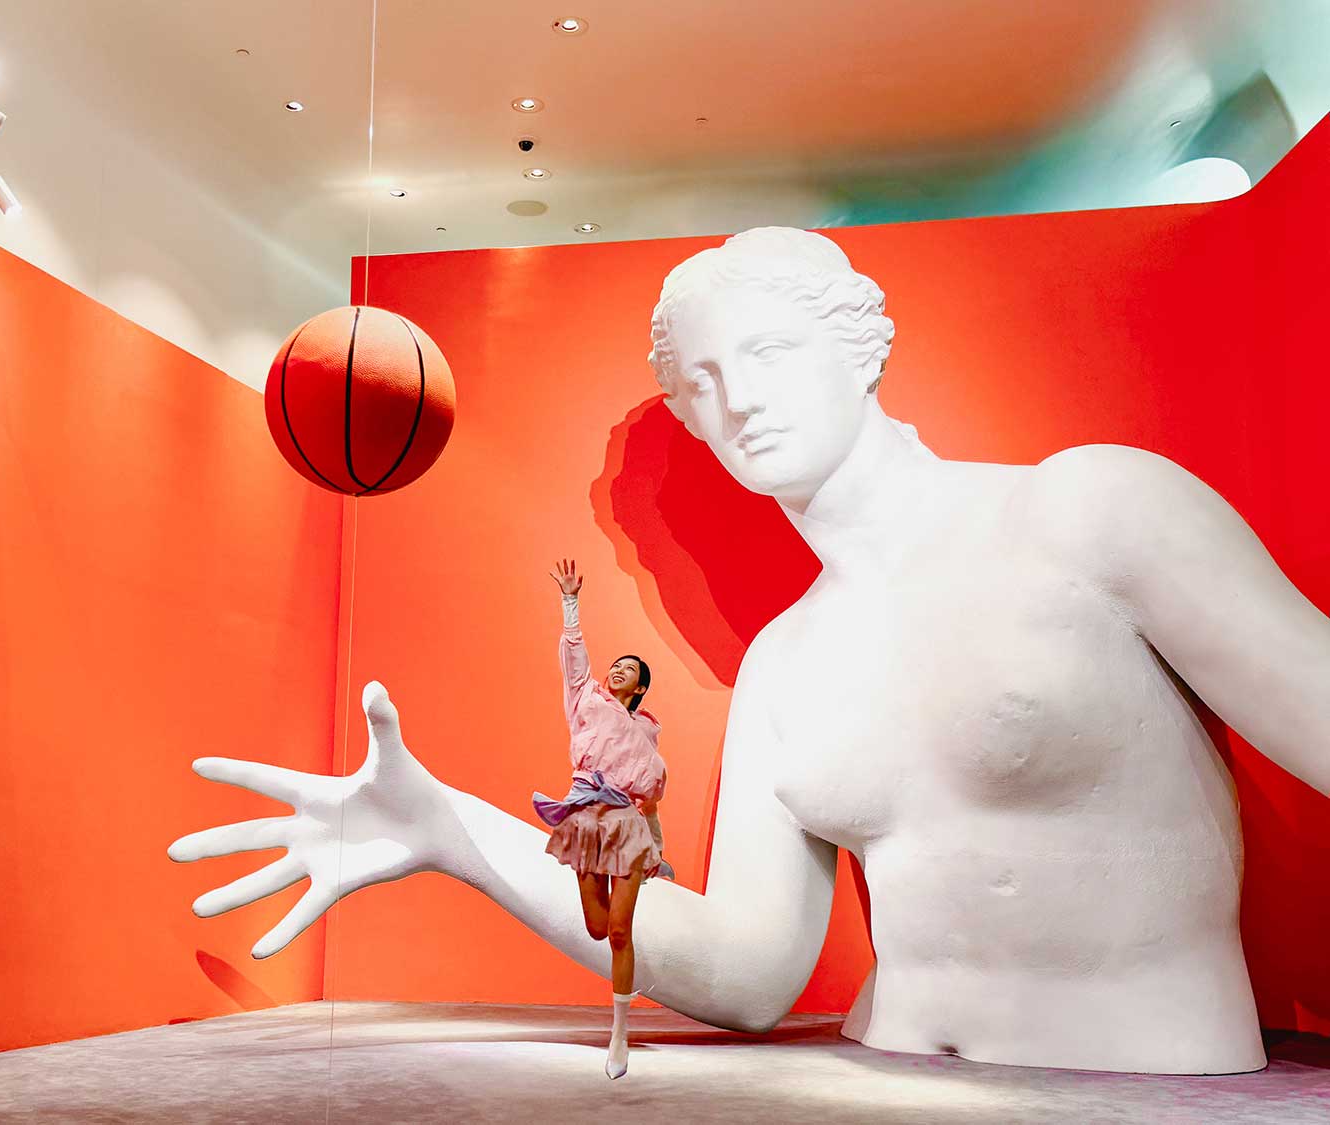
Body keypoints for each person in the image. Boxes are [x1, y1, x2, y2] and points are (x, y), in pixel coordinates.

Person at [169, 226, 1330, 1076]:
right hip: (886, 1077)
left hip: (1154, 1082)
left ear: (859, 346)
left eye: (769, 350)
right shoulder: (787, 659)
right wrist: (460, 833)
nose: (737, 402)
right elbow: (746, 972)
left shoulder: (1093, 511)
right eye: (702, 385)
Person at [531, 558, 668, 1079]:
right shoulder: (585, 697)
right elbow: (574, 655)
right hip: (586, 819)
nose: (617, 670)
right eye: (616, 664)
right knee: (595, 927)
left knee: (618, 932)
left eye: (628, 670)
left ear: (639, 688)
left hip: (627, 824)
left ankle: (620, 1033)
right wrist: (570, 601)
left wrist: (656, 844)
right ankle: (621, 1007)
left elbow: (652, 797)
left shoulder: (647, 732)